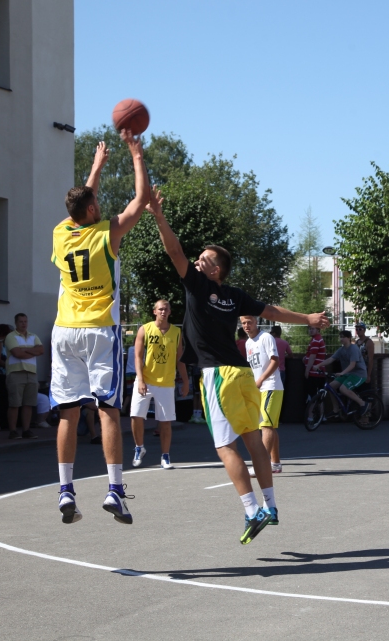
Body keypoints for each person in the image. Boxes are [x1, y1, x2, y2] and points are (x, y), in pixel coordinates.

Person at [148, 187, 329, 544]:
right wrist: (308, 317)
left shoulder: (200, 284)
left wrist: (158, 215)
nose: (197, 260)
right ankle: (272, 505)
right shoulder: (234, 296)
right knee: (253, 441)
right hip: (244, 374)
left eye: (203, 258)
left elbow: (173, 250)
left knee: (224, 447)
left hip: (218, 375)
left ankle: (251, 510)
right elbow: (273, 312)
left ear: (215, 269)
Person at [50, 133, 150, 526]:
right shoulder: (106, 233)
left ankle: (65, 490)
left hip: (63, 330)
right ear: (92, 209)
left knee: (68, 415)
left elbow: (80, 201)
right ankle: (114, 490)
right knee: (108, 411)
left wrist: (97, 165)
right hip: (98, 330)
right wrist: (135, 152)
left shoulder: (61, 233)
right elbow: (140, 200)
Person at [130, 300, 189, 471]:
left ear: (170, 312)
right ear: (154, 311)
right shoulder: (145, 329)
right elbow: (138, 357)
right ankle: (139, 447)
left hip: (166, 382)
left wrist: (185, 381)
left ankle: (165, 456)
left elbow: (180, 359)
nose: (163, 312)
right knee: (136, 415)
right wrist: (140, 379)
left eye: (166, 309)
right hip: (146, 380)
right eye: (160, 309)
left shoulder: (177, 332)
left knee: (165, 422)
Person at [241, 315, 285, 474]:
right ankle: (275, 463)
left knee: (266, 426)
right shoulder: (248, 343)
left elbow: (275, 361)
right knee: (270, 426)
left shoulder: (266, 337)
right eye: (243, 323)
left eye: (249, 322)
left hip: (271, 386)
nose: (246, 326)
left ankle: (262, 465)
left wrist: (260, 380)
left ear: (256, 322)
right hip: (258, 388)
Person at [5, 313, 43, 440]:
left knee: (28, 403)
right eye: (21, 321)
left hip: (31, 373)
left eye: (25, 321)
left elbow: (41, 350)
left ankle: (26, 430)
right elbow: (17, 354)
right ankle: (13, 431)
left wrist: (25, 350)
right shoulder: (11, 336)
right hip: (16, 372)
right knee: (14, 404)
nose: (23, 324)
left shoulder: (34, 336)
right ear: (16, 323)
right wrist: (33, 351)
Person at [318, 331, 371, 418]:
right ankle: (336, 409)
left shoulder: (353, 349)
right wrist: (318, 365)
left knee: (343, 389)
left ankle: (363, 403)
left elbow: (352, 364)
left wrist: (342, 373)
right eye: (340, 337)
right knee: (330, 387)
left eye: (343, 337)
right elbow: (331, 359)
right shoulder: (341, 350)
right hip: (348, 374)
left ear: (349, 338)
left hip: (359, 374)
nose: (341, 339)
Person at [303, 325, 327, 401]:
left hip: (314, 372)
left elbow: (312, 357)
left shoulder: (316, 340)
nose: (310, 330)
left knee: (312, 396)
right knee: (319, 396)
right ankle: (321, 412)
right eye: (309, 329)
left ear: (318, 330)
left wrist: (307, 370)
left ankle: (311, 413)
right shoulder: (315, 339)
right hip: (318, 372)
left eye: (313, 329)